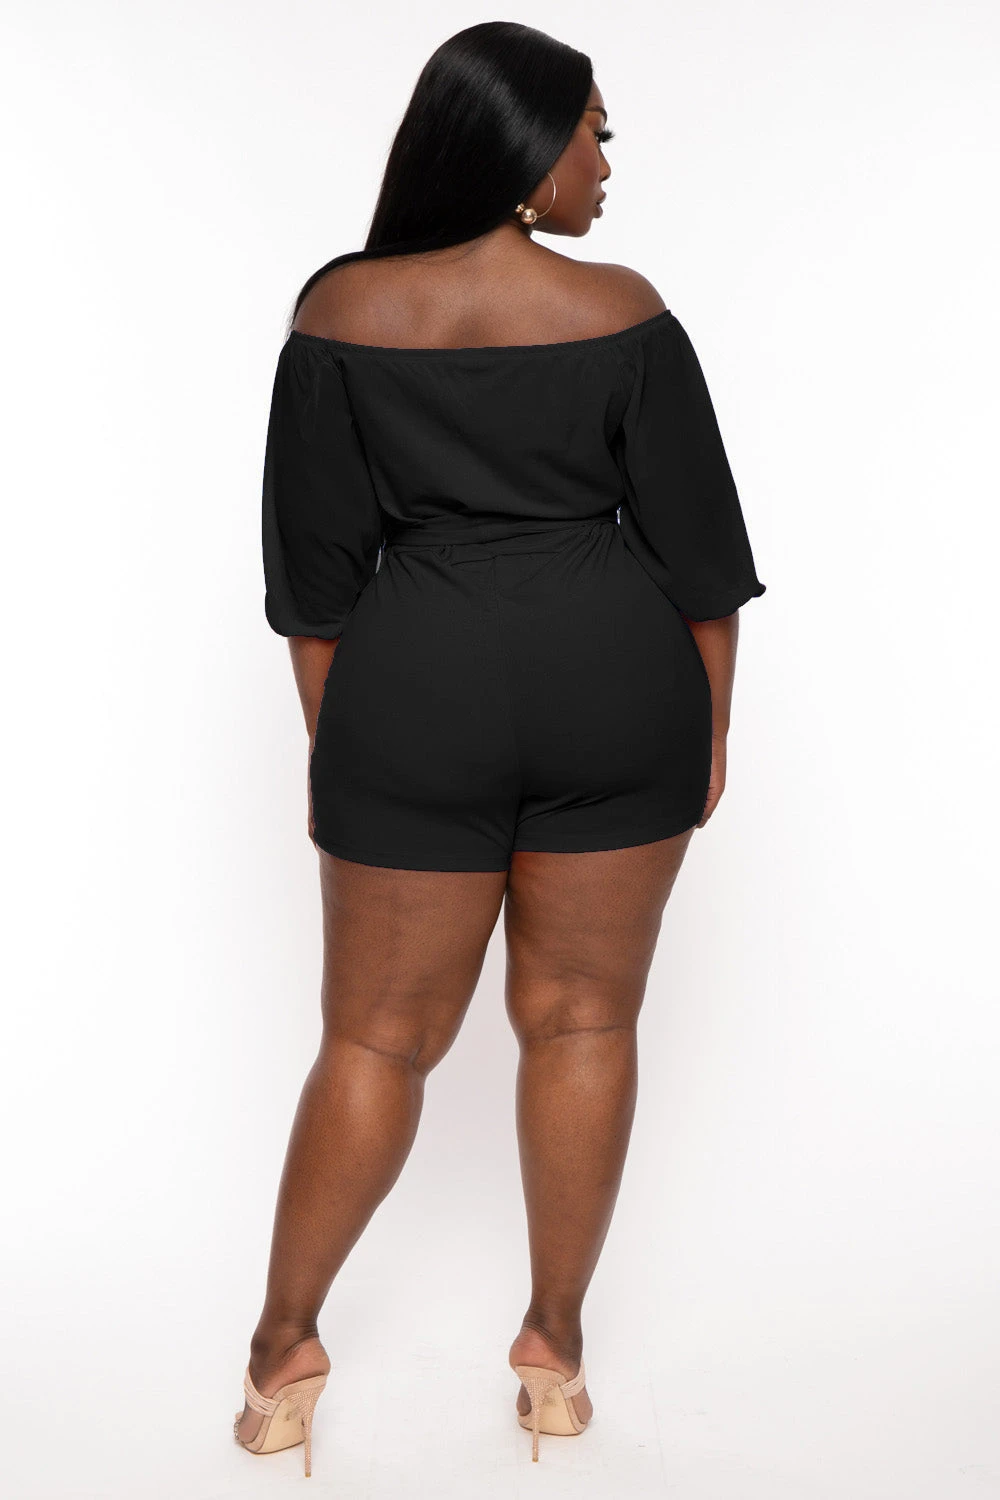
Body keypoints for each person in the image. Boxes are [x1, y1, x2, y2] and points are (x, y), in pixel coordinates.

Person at [234, 20, 766, 1475]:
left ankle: (283, 1352)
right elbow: (702, 564)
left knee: (373, 1040)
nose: (606, 164)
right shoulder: (625, 313)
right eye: (594, 133)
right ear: (525, 149)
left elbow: (312, 583)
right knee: (584, 1022)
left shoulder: (340, 313)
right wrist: (711, 727)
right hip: (619, 692)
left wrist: (345, 744)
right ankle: (553, 1354)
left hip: (414, 695)